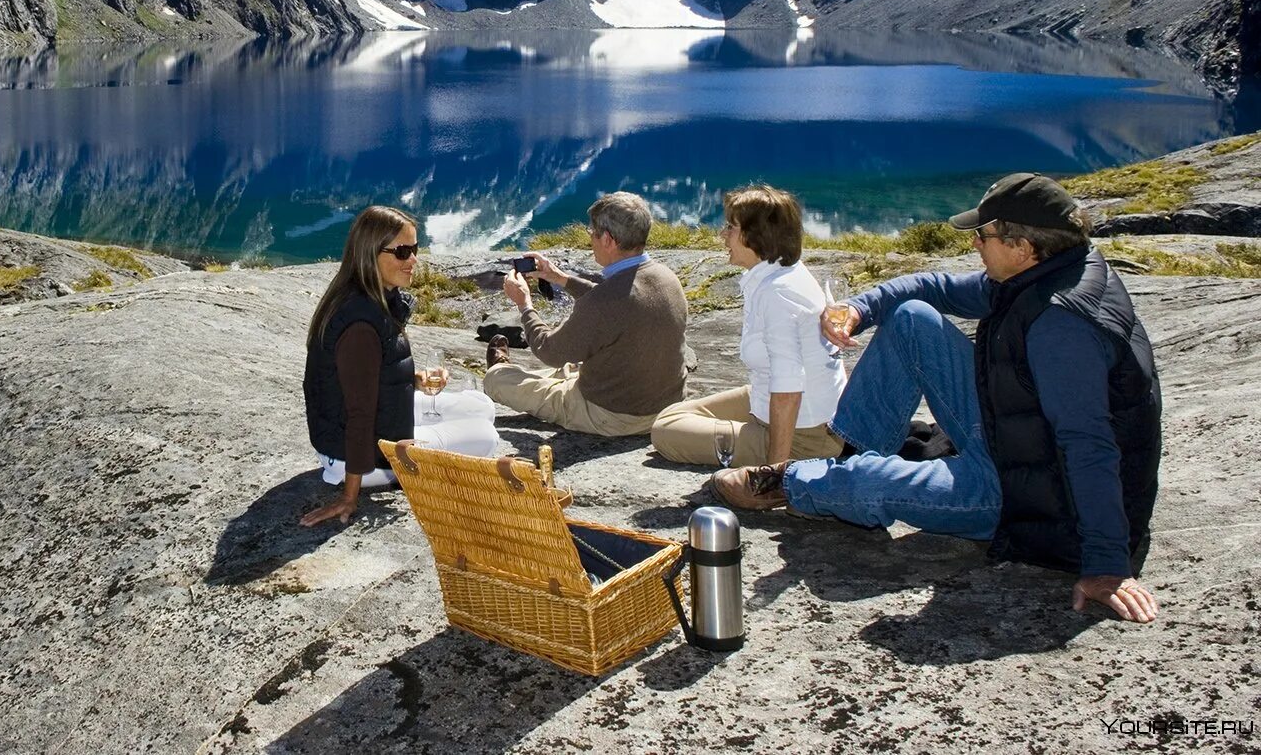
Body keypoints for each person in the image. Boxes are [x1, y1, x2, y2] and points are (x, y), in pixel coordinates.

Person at [712, 173, 1163, 623]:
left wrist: (1106, 565)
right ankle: (849, 458)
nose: (976, 246)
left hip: (1029, 498)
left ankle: (792, 483)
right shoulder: (1051, 269)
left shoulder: (1061, 325)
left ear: (1022, 247)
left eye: (984, 236)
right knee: (911, 319)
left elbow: (1089, 445)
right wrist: (859, 309)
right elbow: (931, 289)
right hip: (1015, 438)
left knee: (872, 482)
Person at [300, 206, 498, 526]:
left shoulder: (377, 297)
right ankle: (368, 472)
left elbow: (372, 375)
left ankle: (418, 440)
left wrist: (416, 379)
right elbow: (358, 414)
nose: (413, 260)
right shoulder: (360, 324)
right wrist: (349, 499)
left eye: (415, 249)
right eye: (403, 252)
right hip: (356, 456)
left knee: (481, 404)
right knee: (485, 435)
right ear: (370, 254)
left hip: (378, 419)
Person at [651, 186, 848, 467]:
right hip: (771, 402)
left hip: (804, 436)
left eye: (731, 227)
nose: (723, 235)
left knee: (666, 432)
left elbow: (789, 390)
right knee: (672, 415)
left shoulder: (778, 294)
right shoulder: (781, 274)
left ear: (756, 235)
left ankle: (782, 459)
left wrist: (774, 474)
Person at [483, 191, 690, 436]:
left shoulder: (605, 301)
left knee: (496, 381)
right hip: (666, 406)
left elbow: (549, 350)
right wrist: (560, 278)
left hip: (612, 416)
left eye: (592, 232)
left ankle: (500, 371)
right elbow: (617, 305)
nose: (590, 238)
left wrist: (524, 304)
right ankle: (539, 376)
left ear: (609, 240)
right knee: (573, 369)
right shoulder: (666, 278)